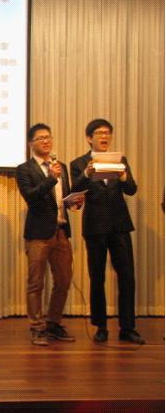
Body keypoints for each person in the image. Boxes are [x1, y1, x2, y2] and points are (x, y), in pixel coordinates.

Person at [70, 119, 144, 344]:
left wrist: (123, 176)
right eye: (99, 133)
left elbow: (131, 189)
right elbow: (75, 192)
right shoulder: (79, 163)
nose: (104, 136)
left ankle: (127, 328)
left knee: (127, 277)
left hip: (119, 225)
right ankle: (100, 326)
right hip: (95, 226)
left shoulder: (119, 160)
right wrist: (86, 173)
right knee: (97, 277)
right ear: (89, 138)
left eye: (107, 133)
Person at [16, 123, 79, 346]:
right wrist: (51, 178)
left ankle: (53, 323)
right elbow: (31, 197)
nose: (46, 141)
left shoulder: (61, 166)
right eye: (40, 138)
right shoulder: (24, 169)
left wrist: (75, 201)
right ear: (31, 143)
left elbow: (64, 199)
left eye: (48, 137)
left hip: (61, 231)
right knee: (36, 283)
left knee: (63, 280)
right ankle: (37, 327)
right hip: (38, 234)